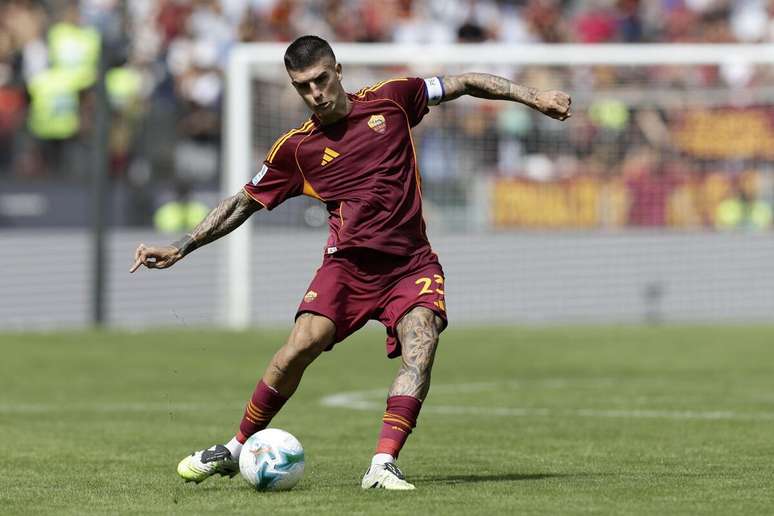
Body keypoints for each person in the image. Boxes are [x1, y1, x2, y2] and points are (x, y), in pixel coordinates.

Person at [130, 35, 571, 490]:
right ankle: (237, 447)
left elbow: (462, 83)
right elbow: (242, 202)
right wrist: (181, 246)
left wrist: (533, 97)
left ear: (337, 71)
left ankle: (382, 464)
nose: (316, 92)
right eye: (303, 86)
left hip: (411, 264)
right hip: (347, 268)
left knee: (421, 344)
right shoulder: (296, 149)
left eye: (321, 79)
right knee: (301, 345)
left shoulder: (394, 99)